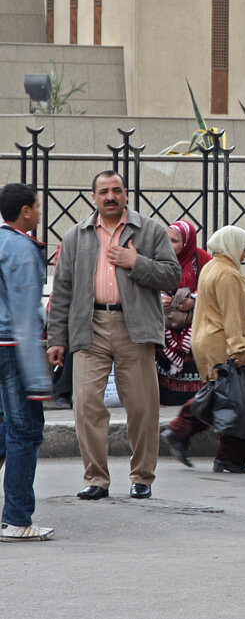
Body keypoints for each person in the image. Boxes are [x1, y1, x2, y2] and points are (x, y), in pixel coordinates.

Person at [47, 170, 181, 501]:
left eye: (116, 190)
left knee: (141, 407)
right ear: (93, 197)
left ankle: (142, 476)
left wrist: (136, 261)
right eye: (104, 191)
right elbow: (61, 289)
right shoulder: (76, 236)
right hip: (89, 325)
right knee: (87, 404)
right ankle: (96, 478)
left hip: (133, 328)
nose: (110, 196)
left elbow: (171, 277)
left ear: (125, 195)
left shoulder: (149, 231)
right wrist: (57, 339)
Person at [161, 226, 245, 474]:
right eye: (243, 248)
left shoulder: (215, 267)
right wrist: (237, 349)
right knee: (232, 398)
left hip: (209, 339)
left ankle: (229, 457)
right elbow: (232, 314)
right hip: (224, 342)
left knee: (225, 396)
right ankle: (184, 432)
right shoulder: (227, 274)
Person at [0, 183, 53, 541]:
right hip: (12, 347)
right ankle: (17, 518)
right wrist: (37, 377)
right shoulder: (21, 248)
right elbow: (24, 314)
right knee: (25, 431)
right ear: (25, 212)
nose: (39, 212)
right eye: (37, 206)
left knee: (5, 430)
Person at [156, 220, 212, 406]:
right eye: (167, 240)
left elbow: (215, 288)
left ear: (187, 242)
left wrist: (195, 301)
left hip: (194, 323)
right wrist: (160, 297)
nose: (169, 245)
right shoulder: (159, 259)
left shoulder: (202, 259)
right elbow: (147, 283)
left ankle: (195, 401)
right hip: (167, 323)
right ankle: (167, 396)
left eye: (175, 241)